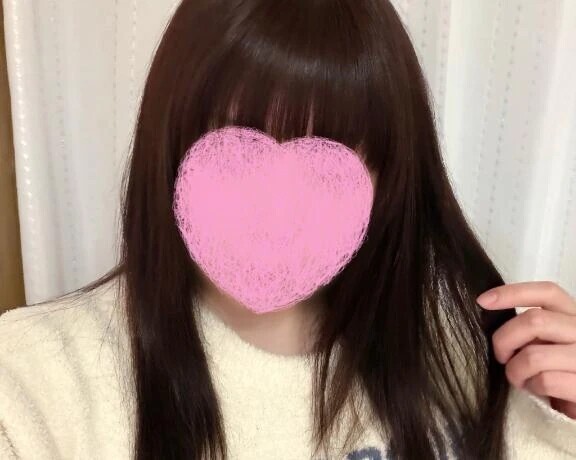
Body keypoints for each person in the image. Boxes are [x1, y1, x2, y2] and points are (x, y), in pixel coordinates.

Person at [1, 1, 575, 459]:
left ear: (390, 174)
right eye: (236, 140)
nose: (276, 200)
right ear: (168, 142)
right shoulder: (33, 377)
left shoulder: (469, 357)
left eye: (328, 151)